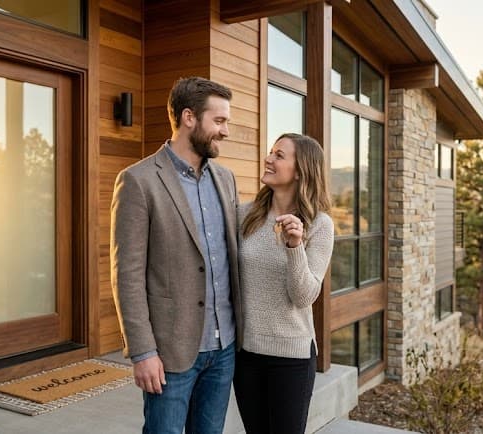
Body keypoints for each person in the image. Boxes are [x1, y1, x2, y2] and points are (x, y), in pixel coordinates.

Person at [110, 76, 242, 434]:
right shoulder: (138, 181)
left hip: (224, 347)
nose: (226, 131)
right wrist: (142, 352)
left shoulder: (226, 179)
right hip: (170, 353)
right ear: (188, 118)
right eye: (219, 121)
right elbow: (128, 275)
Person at [233, 133, 335, 434]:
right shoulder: (245, 215)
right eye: (270, 152)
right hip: (246, 354)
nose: (269, 159)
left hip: (291, 358)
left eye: (279, 155)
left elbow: (304, 296)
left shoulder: (319, 224)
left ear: (301, 170)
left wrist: (294, 246)